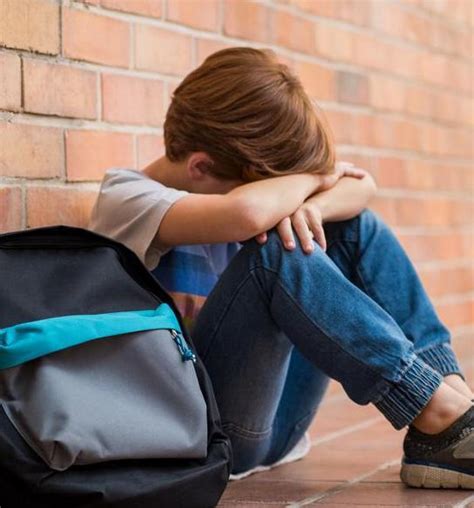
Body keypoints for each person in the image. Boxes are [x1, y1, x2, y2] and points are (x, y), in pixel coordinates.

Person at [88, 46, 474, 489]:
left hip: (279, 424)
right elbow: (249, 213)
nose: (279, 195)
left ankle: (452, 413)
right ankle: (435, 410)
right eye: (270, 185)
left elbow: (362, 186)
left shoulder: (236, 185)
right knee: (274, 253)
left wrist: (320, 200)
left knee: (352, 227)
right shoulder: (127, 198)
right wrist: (314, 181)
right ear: (200, 167)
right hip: (207, 434)